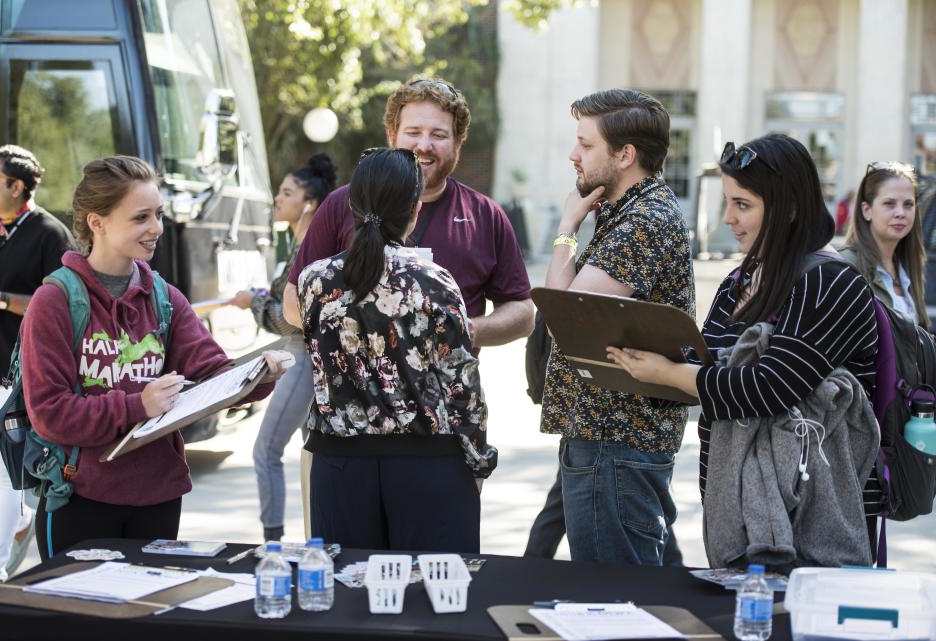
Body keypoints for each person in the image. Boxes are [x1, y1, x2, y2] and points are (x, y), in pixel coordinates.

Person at [607, 134, 882, 566]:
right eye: (727, 202)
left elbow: (767, 389)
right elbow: (709, 378)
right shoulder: (740, 281)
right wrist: (644, 357)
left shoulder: (830, 282)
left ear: (789, 209)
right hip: (735, 507)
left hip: (817, 512)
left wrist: (668, 373)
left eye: (743, 205)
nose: (729, 219)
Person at [19, 156, 289, 557]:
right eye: (141, 217)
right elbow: (49, 413)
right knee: (83, 620)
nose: (157, 229)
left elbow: (213, 371)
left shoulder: (163, 296)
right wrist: (137, 405)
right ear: (97, 222)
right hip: (80, 498)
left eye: (158, 214)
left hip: (158, 497)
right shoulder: (54, 301)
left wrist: (256, 377)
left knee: (150, 618)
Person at [283, 148, 495, 553]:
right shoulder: (433, 281)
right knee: (430, 602)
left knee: (346, 603)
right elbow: (462, 385)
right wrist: (479, 460)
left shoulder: (314, 281)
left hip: (339, 467)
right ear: (415, 208)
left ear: (351, 204)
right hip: (427, 466)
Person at [539, 89, 695, 566]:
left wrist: (567, 224)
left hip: (616, 439)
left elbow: (560, 310)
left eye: (586, 145)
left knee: (616, 598)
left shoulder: (644, 221)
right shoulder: (626, 212)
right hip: (608, 435)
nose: (573, 155)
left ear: (626, 155)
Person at [289, 77, 533, 351]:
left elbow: (523, 313)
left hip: (448, 389)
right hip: (354, 390)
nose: (424, 145)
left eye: (438, 135)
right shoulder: (341, 203)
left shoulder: (485, 215)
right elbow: (291, 301)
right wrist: (362, 338)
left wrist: (465, 329)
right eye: (413, 132)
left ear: (458, 143)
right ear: (391, 135)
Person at [226, 154, 337, 542]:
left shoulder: (311, 244)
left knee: (266, 450)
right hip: (297, 353)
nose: (278, 199)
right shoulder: (302, 242)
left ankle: (272, 543)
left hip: (304, 354)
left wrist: (254, 304)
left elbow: (296, 319)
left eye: (287, 193)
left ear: (308, 203)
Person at [0, 146, 74, 587]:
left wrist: (0, 299)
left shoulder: (49, 234)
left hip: (11, 375)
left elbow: (61, 303)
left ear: (17, 186)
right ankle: (17, 518)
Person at [840, 162, 928, 327]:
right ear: (867, 210)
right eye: (889, 203)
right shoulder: (846, 266)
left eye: (908, 204)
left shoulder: (909, 266)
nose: (900, 213)